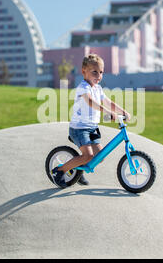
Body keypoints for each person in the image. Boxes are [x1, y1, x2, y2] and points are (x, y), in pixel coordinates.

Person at [50, 54, 131, 188]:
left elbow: (108, 102)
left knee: (100, 156)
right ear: (83, 71)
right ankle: (59, 171)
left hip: (92, 128)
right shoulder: (83, 87)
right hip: (79, 128)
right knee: (88, 155)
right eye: (94, 72)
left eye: (101, 72)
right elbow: (90, 102)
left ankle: (77, 170)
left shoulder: (98, 88)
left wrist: (123, 112)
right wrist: (107, 112)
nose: (98, 76)